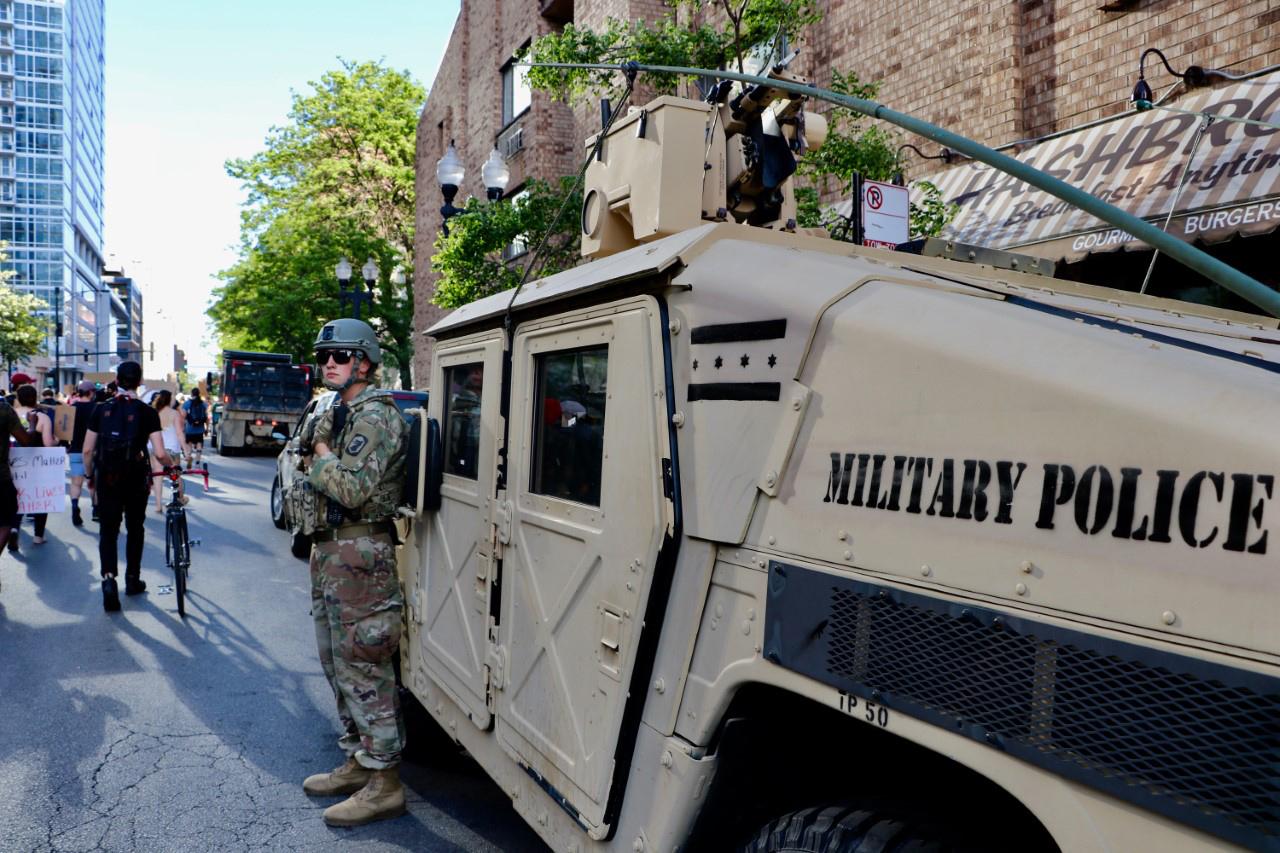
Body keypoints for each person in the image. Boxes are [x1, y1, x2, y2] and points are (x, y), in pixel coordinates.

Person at [299, 318, 408, 827]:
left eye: (338, 356)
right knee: (337, 663)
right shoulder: (335, 412)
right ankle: (359, 762)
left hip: (361, 554)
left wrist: (319, 453)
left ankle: (384, 781)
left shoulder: (376, 416)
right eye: (324, 357)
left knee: (365, 664)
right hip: (331, 554)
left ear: (363, 361)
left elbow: (351, 490)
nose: (328, 365)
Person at [82, 361, 174, 611]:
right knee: (135, 527)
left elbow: (88, 449)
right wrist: (172, 466)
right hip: (135, 477)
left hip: (107, 478)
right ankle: (132, 579)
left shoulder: (101, 410)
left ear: (117, 379)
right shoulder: (147, 412)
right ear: (139, 380)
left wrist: (90, 475)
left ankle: (109, 579)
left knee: (108, 531)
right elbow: (160, 452)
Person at [10, 384, 56, 548]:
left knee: (16, 496)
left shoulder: (11, 414)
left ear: (18, 398)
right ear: (35, 398)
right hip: (37, 462)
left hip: (14, 461)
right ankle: (38, 535)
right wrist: (56, 440)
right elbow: (48, 444)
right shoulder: (42, 417)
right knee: (39, 497)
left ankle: (14, 528)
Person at [149, 390, 189, 514]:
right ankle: (181, 498)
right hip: (172, 450)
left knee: (158, 477)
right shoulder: (175, 414)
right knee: (176, 475)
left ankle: (158, 505)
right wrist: (186, 450)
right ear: (169, 399)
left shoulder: (154, 413)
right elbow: (179, 433)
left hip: (156, 449)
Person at [67, 380, 98, 525]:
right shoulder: (97, 409)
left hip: (74, 449)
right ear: (91, 392)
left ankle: (74, 505)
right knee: (92, 481)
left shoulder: (71, 408)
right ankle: (96, 509)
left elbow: (64, 431)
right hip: (93, 451)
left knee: (76, 482)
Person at [181, 387, 208, 467]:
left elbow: (183, 416)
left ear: (191, 394)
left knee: (189, 445)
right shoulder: (203, 404)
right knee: (199, 446)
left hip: (189, 429)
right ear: (199, 393)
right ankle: (197, 463)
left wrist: (183, 427)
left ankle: (189, 458)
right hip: (200, 429)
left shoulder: (187, 403)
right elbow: (206, 418)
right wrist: (206, 428)